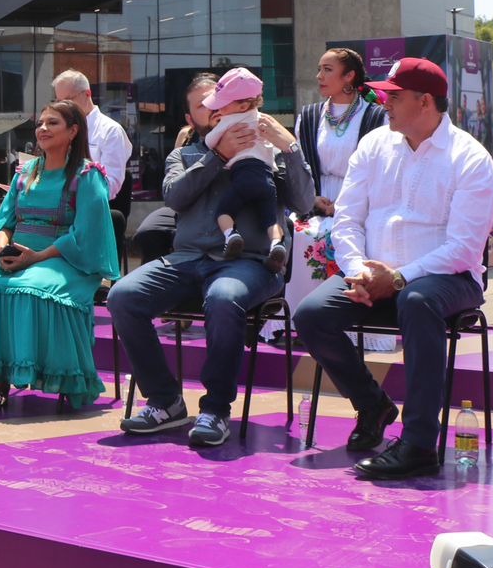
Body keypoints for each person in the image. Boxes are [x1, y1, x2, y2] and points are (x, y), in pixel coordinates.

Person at [294, 56, 493, 480]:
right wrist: (358, 272)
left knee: (418, 301)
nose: (383, 103)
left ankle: (419, 444)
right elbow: (347, 220)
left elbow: (464, 249)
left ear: (425, 101)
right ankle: (373, 405)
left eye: (394, 96)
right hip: (373, 277)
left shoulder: (470, 158)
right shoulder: (374, 145)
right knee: (311, 315)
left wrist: (400, 278)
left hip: (447, 280)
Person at [107, 72, 313, 447]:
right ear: (192, 117)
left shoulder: (268, 151)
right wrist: (217, 157)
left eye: (221, 102)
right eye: (205, 106)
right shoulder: (184, 155)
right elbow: (175, 198)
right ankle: (165, 401)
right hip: (187, 258)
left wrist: (290, 148)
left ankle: (216, 409)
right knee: (122, 296)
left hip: (250, 262)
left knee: (223, 297)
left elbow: (304, 202)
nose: (215, 110)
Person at [0, 100, 115, 410]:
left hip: (65, 259)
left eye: (53, 123)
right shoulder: (26, 172)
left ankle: (47, 376)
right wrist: (2, 250)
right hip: (19, 255)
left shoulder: (88, 176)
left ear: (73, 131)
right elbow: (3, 222)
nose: (43, 129)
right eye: (40, 123)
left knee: (31, 290)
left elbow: (85, 234)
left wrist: (36, 257)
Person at [284, 47, 388, 339]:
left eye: (327, 70)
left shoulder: (376, 117)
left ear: (349, 76)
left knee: (341, 237)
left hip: (360, 202)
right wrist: (312, 199)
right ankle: (299, 323)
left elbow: (381, 171)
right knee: (298, 233)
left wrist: (343, 207)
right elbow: (301, 166)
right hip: (315, 200)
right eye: (319, 69)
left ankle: (352, 331)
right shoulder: (310, 115)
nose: (319, 76)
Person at [199, 67, 287, 272]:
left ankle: (231, 235)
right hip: (267, 178)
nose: (218, 109)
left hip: (243, 175)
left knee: (224, 211)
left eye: (223, 104)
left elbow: (210, 142)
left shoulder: (229, 121)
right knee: (270, 219)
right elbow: (271, 148)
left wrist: (218, 136)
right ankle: (277, 244)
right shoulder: (264, 120)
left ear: (243, 105)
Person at [51, 70, 131, 208]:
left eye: (68, 100)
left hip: (91, 208)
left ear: (87, 94)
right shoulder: (59, 129)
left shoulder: (110, 131)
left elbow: (110, 184)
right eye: (59, 102)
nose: (63, 107)